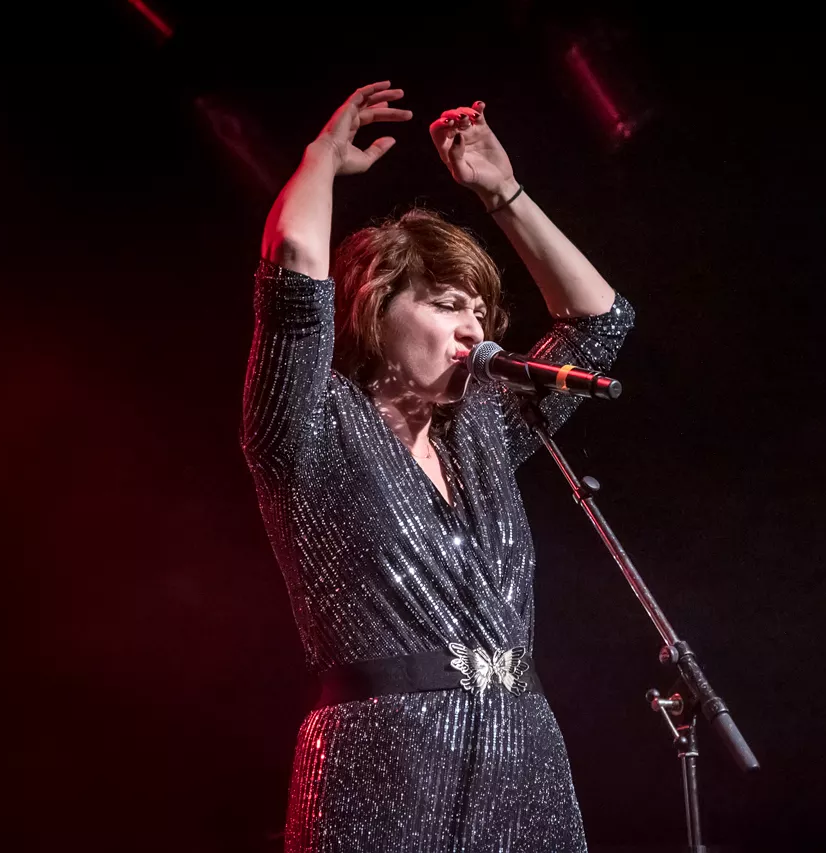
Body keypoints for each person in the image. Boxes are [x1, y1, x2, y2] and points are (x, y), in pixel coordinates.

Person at [241, 79, 633, 852]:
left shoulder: (482, 433)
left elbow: (599, 321)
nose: (474, 329)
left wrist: (504, 193)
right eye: (450, 304)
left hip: (524, 758)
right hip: (386, 765)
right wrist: (321, 158)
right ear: (374, 308)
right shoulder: (311, 425)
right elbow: (293, 269)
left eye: (481, 312)